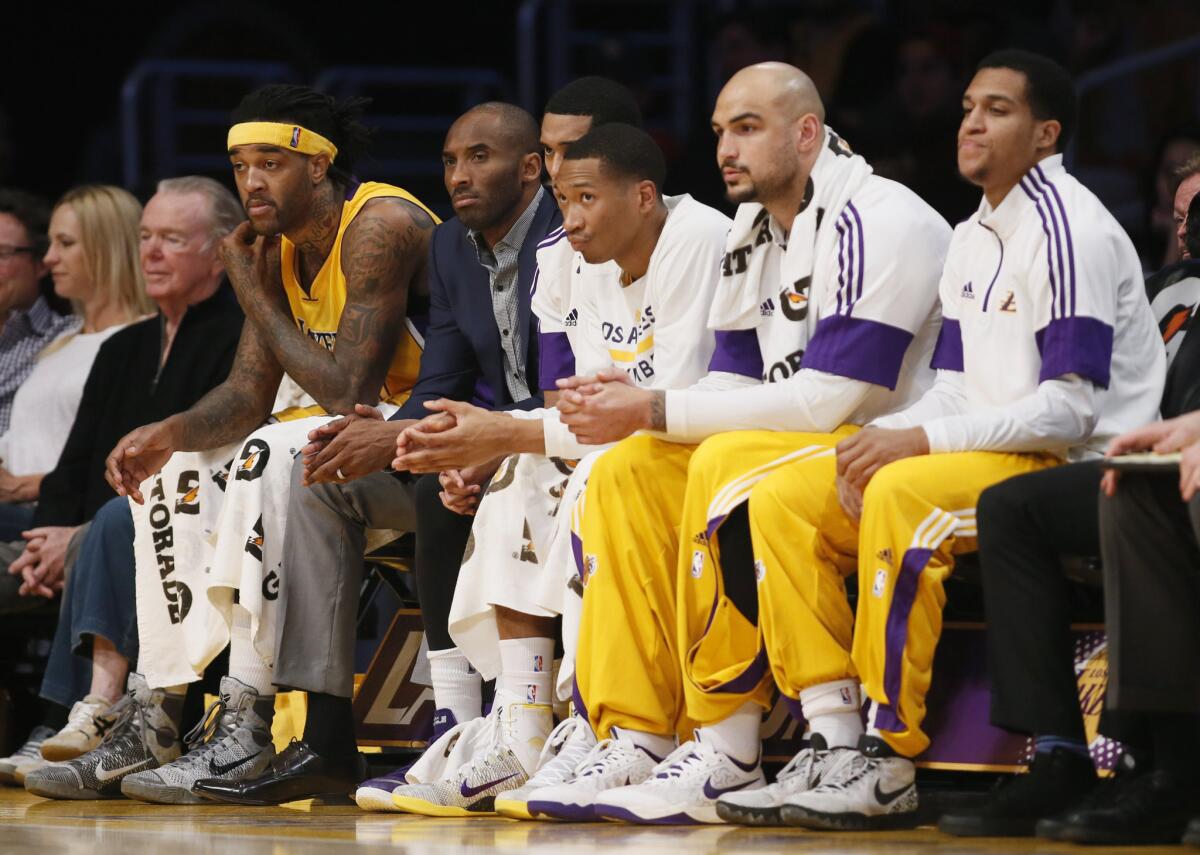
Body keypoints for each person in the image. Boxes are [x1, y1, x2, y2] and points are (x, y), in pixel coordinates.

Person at [504, 61, 949, 825]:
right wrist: (640, 417)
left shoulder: (881, 220)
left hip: (889, 439)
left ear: (807, 134)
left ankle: (728, 739)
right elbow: (734, 382)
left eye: (748, 128)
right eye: (718, 132)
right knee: (627, 469)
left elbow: (831, 398)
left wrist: (653, 405)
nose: (725, 151)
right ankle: (637, 732)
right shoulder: (750, 229)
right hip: (808, 436)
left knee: (715, 461)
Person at [726, 50, 1161, 831]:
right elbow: (958, 386)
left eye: (997, 109)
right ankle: (830, 730)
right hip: (993, 450)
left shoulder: (1071, 230)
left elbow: (1067, 411)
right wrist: (888, 434)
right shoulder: (972, 234)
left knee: (902, 491)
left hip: (1077, 464)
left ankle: (887, 752)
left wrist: (919, 441)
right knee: (788, 491)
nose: (970, 122)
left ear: (1046, 134)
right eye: (967, 107)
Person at [23, 84, 437, 803]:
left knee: (272, 451)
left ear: (318, 166)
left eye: (270, 162)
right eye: (241, 164)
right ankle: (157, 712)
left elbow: (345, 392)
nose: (250, 182)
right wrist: (169, 431)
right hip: (319, 460)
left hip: (409, 449)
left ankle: (247, 717)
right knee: (173, 474)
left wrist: (251, 289)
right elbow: (247, 394)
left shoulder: (380, 224)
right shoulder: (275, 249)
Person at [386, 122, 733, 818]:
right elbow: (576, 406)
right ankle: (524, 724)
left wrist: (503, 432)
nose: (568, 218)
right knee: (525, 473)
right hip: (626, 443)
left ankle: (598, 718)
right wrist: (498, 443)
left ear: (640, 195)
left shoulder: (703, 239)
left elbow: (655, 407)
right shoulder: (568, 257)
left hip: (696, 442)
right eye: (561, 196)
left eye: (581, 197)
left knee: (583, 474)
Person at [226, 100, 556, 809]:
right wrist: (400, 433)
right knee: (315, 472)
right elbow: (437, 377)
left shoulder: (559, 237)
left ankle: (492, 718)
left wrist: (450, 436)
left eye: (480, 158)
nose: (459, 176)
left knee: (432, 470)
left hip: (537, 439)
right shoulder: (452, 246)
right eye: (448, 161)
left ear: (533, 169)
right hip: (463, 433)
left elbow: (563, 386)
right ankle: (333, 730)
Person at [937, 155, 1200, 838]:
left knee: (1152, 500)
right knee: (1016, 504)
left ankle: (1166, 760)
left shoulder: (1076, 231)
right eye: (1180, 216)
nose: (1190, 228)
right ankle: (1063, 750)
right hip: (1154, 454)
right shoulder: (1160, 285)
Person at [0, 177, 246, 789]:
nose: (151, 253)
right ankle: (64, 720)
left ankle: (71, 717)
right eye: (145, 238)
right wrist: (45, 537)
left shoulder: (238, 336)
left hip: (192, 521)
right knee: (91, 532)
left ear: (220, 252)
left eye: (171, 239)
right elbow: (75, 463)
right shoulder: (126, 347)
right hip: (92, 528)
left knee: (109, 526)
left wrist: (74, 536)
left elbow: (207, 461)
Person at [0, 185, 151, 593]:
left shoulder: (139, 341)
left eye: (64, 244)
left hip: (55, 519)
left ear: (106, 248)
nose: (48, 260)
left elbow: (127, 466)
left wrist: (22, 486)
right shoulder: (60, 341)